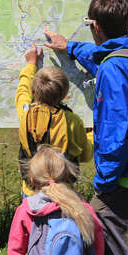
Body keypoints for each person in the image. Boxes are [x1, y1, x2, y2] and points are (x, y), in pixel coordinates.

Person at [43, 0, 128, 255]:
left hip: (126, 186)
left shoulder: (114, 69)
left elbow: (113, 132)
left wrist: (105, 185)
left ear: (96, 26)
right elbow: (99, 54)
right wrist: (70, 47)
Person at [15, 42, 94, 196]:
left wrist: (31, 64)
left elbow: (22, 90)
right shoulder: (72, 120)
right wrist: (91, 135)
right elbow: (86, 155)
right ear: (65, 95)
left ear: (33, 90)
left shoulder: (26, 112)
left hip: (31, 192)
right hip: (63, 193)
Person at [7, 144, 104, 255]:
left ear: (32, 180)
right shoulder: (81, 207)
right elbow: (97, 245)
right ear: (67, 175)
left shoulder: (27, 210)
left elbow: (15, 250)